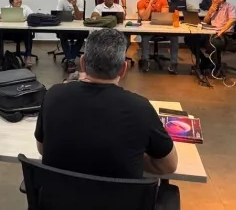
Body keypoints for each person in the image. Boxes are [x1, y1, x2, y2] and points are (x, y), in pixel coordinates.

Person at [34, 29, 178, 180]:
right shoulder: (141, 109)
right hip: (119, 196)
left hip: (58, 194)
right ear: (123, 69)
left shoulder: (53, 95)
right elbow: (168, 165)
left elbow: (43, 149)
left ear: (82, 63)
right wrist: (131, 157)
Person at [183, 0, 236, 75]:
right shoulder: (213, 7)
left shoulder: (230, 6)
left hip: (225, 35)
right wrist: (209, 12)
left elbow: (233, 20)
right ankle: (205, 61)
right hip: (211, 33)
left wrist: (221, 31)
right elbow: (205, 22)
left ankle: (215, 67)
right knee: (189, 39)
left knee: (211, 42)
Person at [136, 0, 179, 74]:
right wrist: (150, 4)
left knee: (174, 37)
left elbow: (163, 15)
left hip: (162, 28)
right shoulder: (140, 2)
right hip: (148, 30)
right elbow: (144, 18)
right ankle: (146, 61)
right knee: (145, 37)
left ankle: (174, 63)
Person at [0, 0, 35, 68]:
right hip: (9, 32)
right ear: (11, 1)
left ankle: (28, 56)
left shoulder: (25, 8)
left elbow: (33, 16)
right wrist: (1, 16)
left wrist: (26, 18)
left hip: (22, 32)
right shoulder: (6, 8)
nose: (19, 1)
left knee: (28, 34)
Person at [55, 0, 87, 73]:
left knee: (82, 35)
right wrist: (71, 16)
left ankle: (69, 59)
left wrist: (75, 6)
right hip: (65, 27)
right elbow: (58, 15)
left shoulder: (80, 0)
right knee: (62, 34)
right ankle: (71, 59)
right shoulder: (61, 0)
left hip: (78, 28)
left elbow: (79, 17)